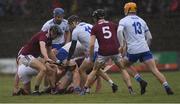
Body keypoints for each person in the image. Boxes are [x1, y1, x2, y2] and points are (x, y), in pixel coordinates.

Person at [117, 2, 174, 95]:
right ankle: (167, 87)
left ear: (127, 9)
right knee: (154, 70)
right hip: (145, 49)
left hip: (133, 50)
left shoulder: (123, 20)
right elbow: (150, 37)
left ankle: (140, 81)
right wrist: (145, 47)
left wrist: (122, 45)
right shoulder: (142, 20)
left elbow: (119, 31)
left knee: (123, 65)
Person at [80, 9, 135, 95]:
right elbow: (121, 36)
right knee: (122, 69)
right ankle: (130, 89)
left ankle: (84, 90)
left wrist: (91, 57)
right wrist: (123, 47)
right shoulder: (113, 25)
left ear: (96, 18)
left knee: (94, 70)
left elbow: (91, 45)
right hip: (115, 50)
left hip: (103, 52)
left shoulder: (95, 27)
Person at [68, 15, 127, 94]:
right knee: (97, 70)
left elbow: (73, 46)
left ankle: (86, 89)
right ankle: (112, 84)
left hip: (94, 51)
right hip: (101, 49)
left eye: (69, 24)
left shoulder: (75, 31)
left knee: (82, 70)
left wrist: (68, 58)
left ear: (73, 23)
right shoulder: (89, 25)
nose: (69, 26)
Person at [13, 25, 60, 95]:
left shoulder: (49, 39)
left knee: (50, 69)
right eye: (54, 33)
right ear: (50, 31)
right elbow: (42, 48)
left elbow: (49, 51)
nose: (55, 35)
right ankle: (36, 90)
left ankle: (53, 90)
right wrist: (46, 58)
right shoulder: (43, 35)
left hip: (31, 58)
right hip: (25, 57)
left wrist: (58, 61)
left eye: (57, 34)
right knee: (43, 68)